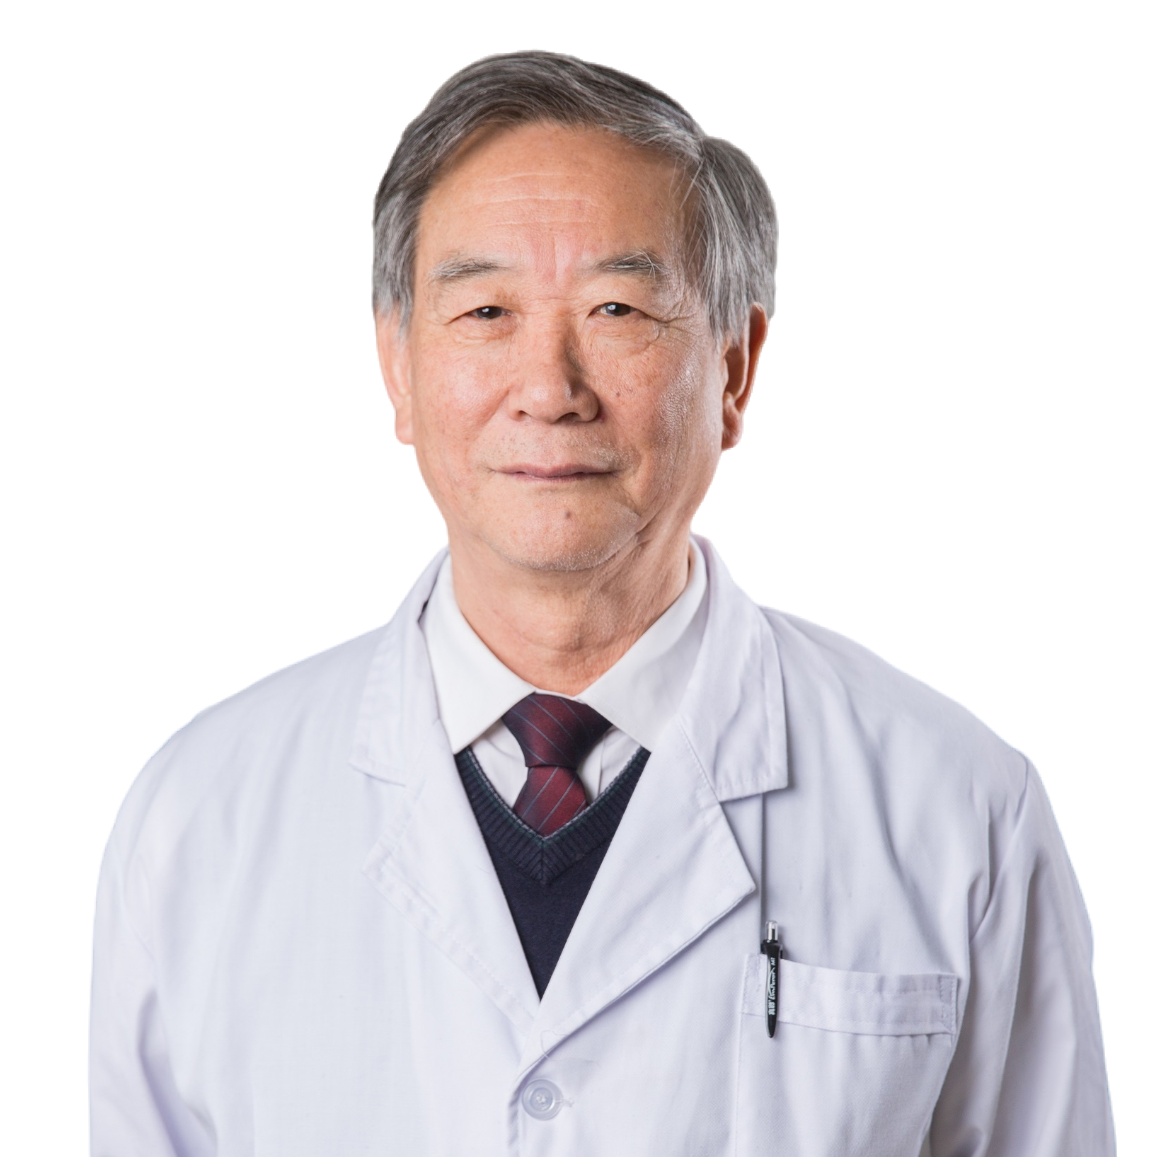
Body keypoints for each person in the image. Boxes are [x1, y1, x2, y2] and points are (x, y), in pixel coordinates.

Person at [89, 51, 1114, 1156]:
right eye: (486, 310)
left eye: (618, 307)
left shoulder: (959, 810)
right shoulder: (199, 821)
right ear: (397, 364)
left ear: (734, 366)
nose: (549, 387)